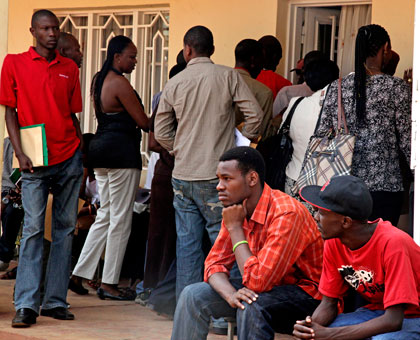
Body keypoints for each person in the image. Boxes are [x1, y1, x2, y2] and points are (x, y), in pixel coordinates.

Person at [154, 26, 263, 300]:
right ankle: (225, 312)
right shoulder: (227, 76)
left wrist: (179, 149)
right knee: (226, 243)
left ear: (187, 50)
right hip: (219, 178)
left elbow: (161, 131)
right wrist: (238, 150)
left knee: (187, 245)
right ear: (212, 50)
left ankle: (188, 309)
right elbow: (256, 117)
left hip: (183, 175)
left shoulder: (175, 82)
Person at [171, 146, 324, 340]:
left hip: (308, 296)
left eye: (227, 179)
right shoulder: (236, 208)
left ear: (252, 179)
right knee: (193, 295)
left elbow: (258, 282)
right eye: (219, 178)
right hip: (266, 287)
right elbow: (213, 265)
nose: (219, 186)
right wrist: (230, 295)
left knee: (252, 304)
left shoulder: (286, 212)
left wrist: (235, 229)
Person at [0, 9, 84, 327]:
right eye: (45, 28)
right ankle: (25, 305)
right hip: (33, 160)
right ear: (33, 30)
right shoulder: (14, 62)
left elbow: (72, 115)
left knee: (63, 231)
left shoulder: (69, 69)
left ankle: (54, 301)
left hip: (69, 157)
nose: (51, 33)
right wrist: (19, 154)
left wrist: (82, 155)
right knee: (34, 230)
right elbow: (10, 112)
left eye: (55, 28)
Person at [71, 35, 149, 300]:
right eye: (132, 56)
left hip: (100, 155)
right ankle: (109, 283)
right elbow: (143, 121)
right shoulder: (120, 83)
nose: (135, 61)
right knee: (120, 219)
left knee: (105, 214)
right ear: (117, 57)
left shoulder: (99, 79)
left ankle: (79, 273)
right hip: (121, 156)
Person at [294, 175, 420, 339]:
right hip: (375, 312)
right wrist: (310, 329)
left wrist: (329, 335)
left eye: (322, 213)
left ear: (345, 222)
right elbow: (329, 303)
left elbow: (394, 320)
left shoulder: (393, 244)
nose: (315, 217)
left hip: (412, 316)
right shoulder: (334, 242)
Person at [311, 24, 411, 226]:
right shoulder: (396, 88)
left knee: (348, 247)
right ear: (386, 49)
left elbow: (321, 134)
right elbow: (408, 141)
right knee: (379, 245)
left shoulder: (337, 86)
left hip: (343, 185)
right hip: (385, 186)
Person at [282, 59, 339, 201]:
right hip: (322, 184)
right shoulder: (337, 110)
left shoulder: (296, 102)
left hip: (293, 177)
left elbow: (283, 131)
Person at [234, 39, 274, 141]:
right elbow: (262, 134)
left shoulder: (218, 82)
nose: (262, 67)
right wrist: (279, 120)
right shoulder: (264, 92)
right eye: (262, 61)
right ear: (253, 60)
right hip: (242, 153)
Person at [273, 50, 326, 118]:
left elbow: (274, 122)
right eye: (297, 72)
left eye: (300, 71)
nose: (298, 76)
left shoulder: (287, 92)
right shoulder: (287, 92)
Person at [0, 138, 24, 271]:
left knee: (12, 211)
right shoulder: (7, 142)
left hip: (25, 189)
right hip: (7, 189)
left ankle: (4, 255)